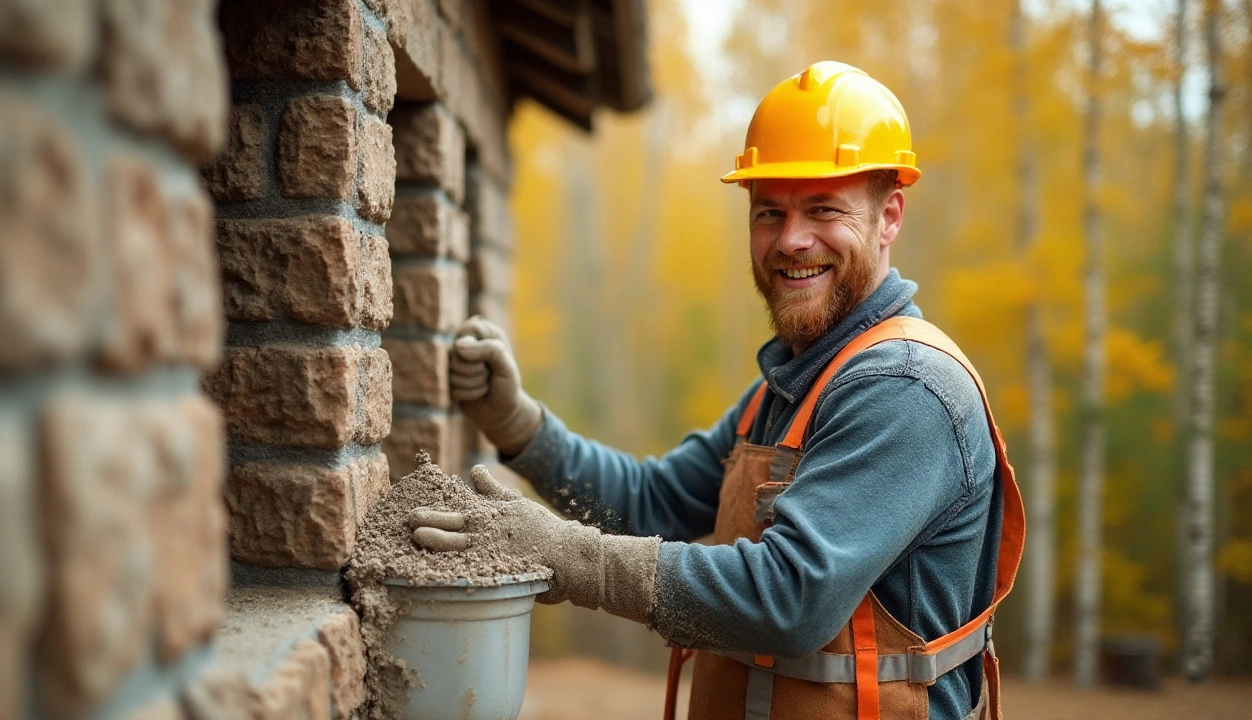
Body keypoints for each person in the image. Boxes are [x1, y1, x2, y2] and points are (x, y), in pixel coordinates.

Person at [410, 61, 1024, 720]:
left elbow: (790, 598)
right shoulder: (792, 388)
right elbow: (647, 503)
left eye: (823, 209)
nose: (790, 241)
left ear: (889, 216)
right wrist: (517, 424)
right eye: (769, 212)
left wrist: (564, 556)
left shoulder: (906, 389)